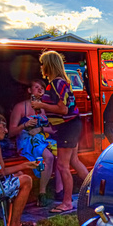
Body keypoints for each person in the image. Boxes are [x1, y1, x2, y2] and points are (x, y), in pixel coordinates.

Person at [32, 51, 88, 214]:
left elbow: (62, 109)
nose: (41, 67)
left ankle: (67, 202)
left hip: (67, 127)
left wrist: (41, 105)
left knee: (63, 165)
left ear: (49, 64)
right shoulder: (59, 83)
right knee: (74, 161)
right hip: (71, 125)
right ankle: (93, 191)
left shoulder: (57, 83)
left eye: (43, 63)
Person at [9, 79, 62, 207]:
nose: (40, 90)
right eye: (36, 87)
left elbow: (54, 129)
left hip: (43, 138)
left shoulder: (45, 107)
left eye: (42, 88)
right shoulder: (20, 107)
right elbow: (11, 132)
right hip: (27, 141)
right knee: (48, 157)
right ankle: (42, 193)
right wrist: (25, 125)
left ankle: (60, 190)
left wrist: (41, 129)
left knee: (62, 151)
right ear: (29, 90)